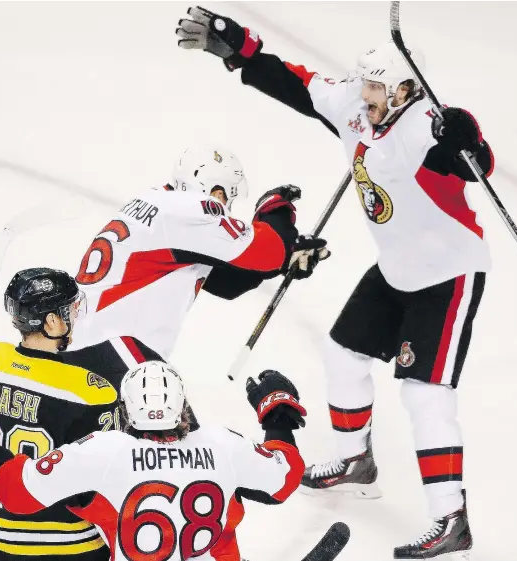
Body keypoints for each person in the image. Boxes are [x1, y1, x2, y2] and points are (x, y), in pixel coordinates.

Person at [176, 7, 495, 559]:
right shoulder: (354, 104)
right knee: (343, 353)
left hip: (449, 273)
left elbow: (472, 162)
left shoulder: (426, 129)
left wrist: (469, 138)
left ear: (403, 91)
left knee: (424, 394)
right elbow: (299, 86)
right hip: (396, 270)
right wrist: (240, 50)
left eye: (377, 87)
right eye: (365, 82)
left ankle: (451, 518)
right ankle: (356, 459)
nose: (365, 94)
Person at [0, 362, 307, 561]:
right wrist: (278, 418)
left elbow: (16, 492)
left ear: (126, 411)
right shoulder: (223, 444)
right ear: (183, 408)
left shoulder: (104, 450)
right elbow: (284, 480)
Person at [63, 145, 329, 390]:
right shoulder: (194, 210)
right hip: (114, 362)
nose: (226, 206)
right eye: (228, 196)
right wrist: (274, 210)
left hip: (85, 350)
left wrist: (284, 263)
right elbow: (270, 250)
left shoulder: (159, 203)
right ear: (216, 191)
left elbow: (226, 284)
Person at [0, 268, 119, 561]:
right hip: (70, 550)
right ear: (51, 320)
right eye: (70, 310)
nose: (74, 317)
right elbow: (109, 484)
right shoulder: (90, 391)